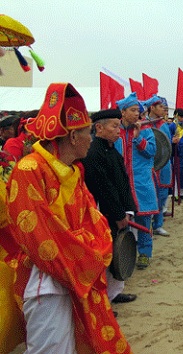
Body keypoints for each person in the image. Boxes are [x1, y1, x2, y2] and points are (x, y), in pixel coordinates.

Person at [4, 83, 131, 353]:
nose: (90, 138)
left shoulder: (72, 171)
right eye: (87, 132)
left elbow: (95, 222)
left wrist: (87, 248)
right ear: (73, 137)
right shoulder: (30, 170)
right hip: (46, 280)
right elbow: (39, 237)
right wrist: (86, 251)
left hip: (77, 273)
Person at [82, 108, 138, 306]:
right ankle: (103, 299)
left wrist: (129, 210)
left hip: (120, 211)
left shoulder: (111, 149)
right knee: (105, 254)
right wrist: (117, 213)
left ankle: (114, 293)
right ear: (99, 127)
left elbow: (123, 182)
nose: (118, 130)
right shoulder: (92, 152)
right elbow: (103, 187)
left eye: (118, 126)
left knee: (118, 250)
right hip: (103, 212)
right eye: (114, 126)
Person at [115, 92, 158, 269]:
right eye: (132, 110)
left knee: (144, 219)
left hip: (141, 182)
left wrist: (138, 138)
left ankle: (145, 253)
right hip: (122, 183)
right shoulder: (115, 131)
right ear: (123, 112)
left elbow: (152, 151)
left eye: (137, 110)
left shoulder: (146, 130)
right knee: (122, 220)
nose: (136, 114)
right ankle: (124, 253)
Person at [143, 95, 173, 236]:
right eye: (160, 106)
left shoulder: (163, 125)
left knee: (161, 196)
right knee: (148, 197)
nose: (163, 110)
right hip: (148, 166)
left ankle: (158, 224)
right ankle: (145, 225)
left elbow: (166, 145)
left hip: (163, 164)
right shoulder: (143, 124)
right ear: (152, 108)